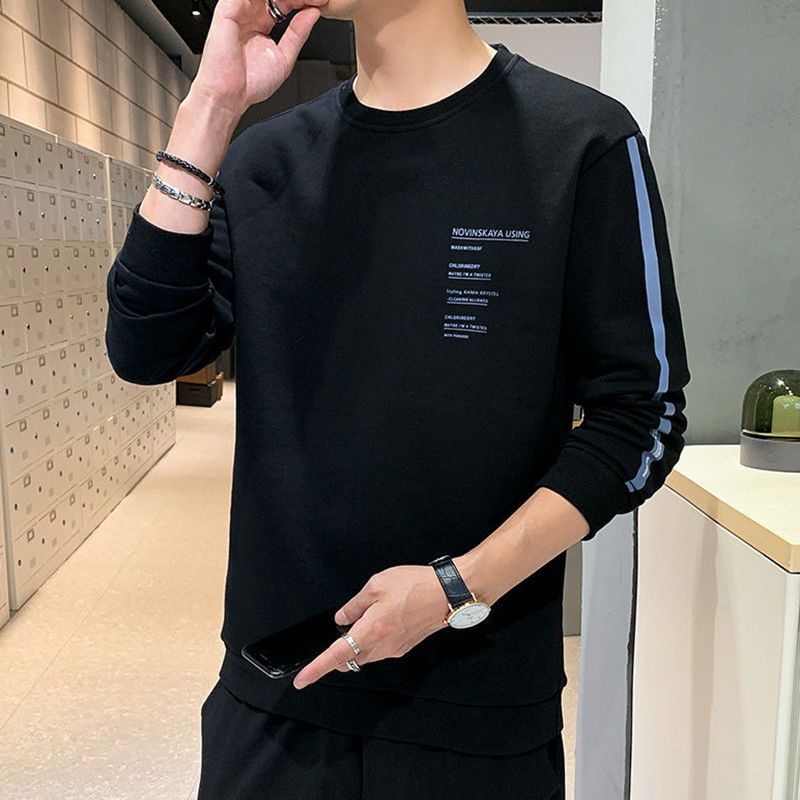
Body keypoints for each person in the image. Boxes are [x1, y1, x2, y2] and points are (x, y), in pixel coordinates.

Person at [104, 0, 692, 797]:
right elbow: (148, 351)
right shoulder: (267, 158)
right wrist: (209, 108)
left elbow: (643, 416)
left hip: (473, 708)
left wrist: (458, 587)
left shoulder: (579, 140)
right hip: (277, 694)